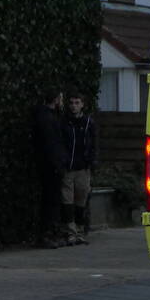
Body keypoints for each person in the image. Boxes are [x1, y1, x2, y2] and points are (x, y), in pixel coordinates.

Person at [60, 93, 98, 245]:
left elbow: (94, 143)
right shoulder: (65, 122)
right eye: (72, 103)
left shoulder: (88, 122)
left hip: (83, 167)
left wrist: (92, 160)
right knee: (67, 200)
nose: (74, 106)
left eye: (77, 103)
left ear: (82, 104)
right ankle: (70, 232)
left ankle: (80, 231)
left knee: (81, 199)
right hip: (69, 167)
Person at [30, 90, 65, 249]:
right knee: (51, 200)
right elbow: (52, 144)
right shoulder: (48, 118)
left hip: (47, 164)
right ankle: (47, 234)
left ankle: (49, 233)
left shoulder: (43, 116)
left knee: (50, 200)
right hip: (50, 166)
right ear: (57, 99)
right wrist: (57, 163)